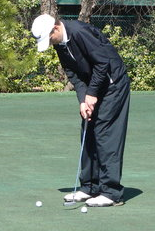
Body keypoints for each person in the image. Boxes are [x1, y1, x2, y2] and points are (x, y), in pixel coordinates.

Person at [31, 14, 130, 207]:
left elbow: (103, 63)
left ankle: (111, 191)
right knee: (88, 129)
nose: (50, 44)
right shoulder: (60, 44)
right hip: (94, 87)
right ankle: (89, 186)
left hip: (113, 86)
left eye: (49, 39)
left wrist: (92, 93)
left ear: (56, 29)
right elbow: (73, 74)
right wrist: (83, 100)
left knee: (105, 133)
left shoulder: (79, 32)